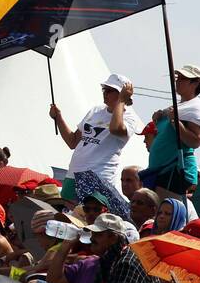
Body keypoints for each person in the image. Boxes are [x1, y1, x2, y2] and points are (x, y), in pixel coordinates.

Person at [50, 74, 141, 219]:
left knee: (90, 222)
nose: (105, 93)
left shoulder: (129, 117)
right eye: (104, 89)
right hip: (73, 175)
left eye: (110, 90)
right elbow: (72, 141)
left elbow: (115, 128)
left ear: (122, 94)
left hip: (98, 177)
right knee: (67, 219)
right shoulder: (95, 111)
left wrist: (122, 101)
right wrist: (58, 118)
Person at [62, 213, 166, 283]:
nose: (92, 239)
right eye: (93, 234)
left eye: (98, 235)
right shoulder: (105, 259)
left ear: (113, 238)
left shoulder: (128, 261)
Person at [142, 64, 200, 194]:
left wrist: (174, 121)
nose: (178, 81)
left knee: (164, 211)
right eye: (178, 78)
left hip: (175, 171)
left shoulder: (195, 109)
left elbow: (196, 141)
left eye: (183, 78)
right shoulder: (180, 107)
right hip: (163, 171)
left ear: (196, 83)